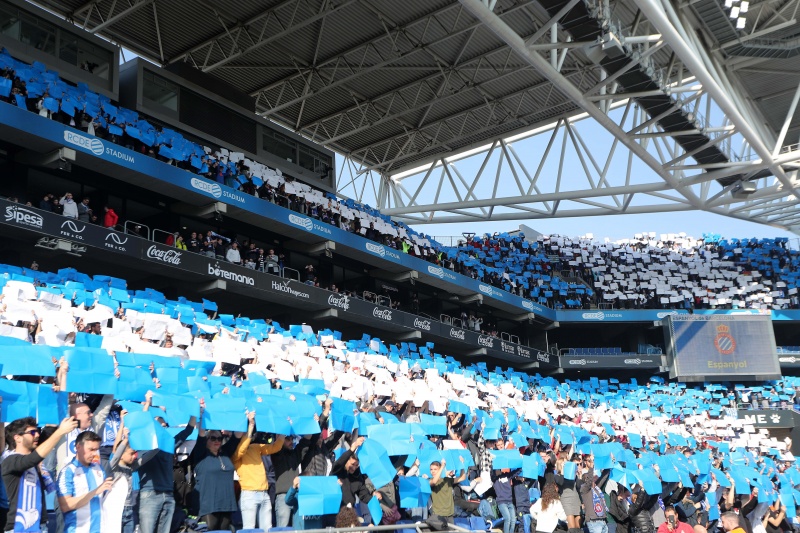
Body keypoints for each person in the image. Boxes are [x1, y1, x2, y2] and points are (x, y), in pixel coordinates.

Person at [3, 416, 77, 533]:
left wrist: (54, 425)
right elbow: (32, 459)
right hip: (18, 527)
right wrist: (60, 431)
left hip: (40, 526)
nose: (37, 435)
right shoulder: (10, 461)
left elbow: (41, 448)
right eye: (32, 432)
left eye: (37, 431)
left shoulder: (35, 462)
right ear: (17, 438)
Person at [233, 411, 285, 530]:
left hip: (264, 494)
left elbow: (275, 447)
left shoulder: (255, 448)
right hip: (249, 494)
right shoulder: (235, 454)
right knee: (249, 529)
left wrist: (283, 430)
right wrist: (251, 425)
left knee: (267, 529)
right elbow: (242, 448)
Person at [190, 412, 242, 531]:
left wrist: (246, 419)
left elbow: (237, 437)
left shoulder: (225, 452)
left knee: (224, 532)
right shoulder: (201, 454)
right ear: (207, 440)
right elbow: (201, 435)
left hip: (226, 503)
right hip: (208, 504)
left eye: (219, 438)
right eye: (213, 438)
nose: (217, 441)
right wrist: (201, 415)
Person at [56, 431, 114, 533]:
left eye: (96, 450)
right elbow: (65, 505)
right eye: (91, 449)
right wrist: (95, 492)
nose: (94, 454)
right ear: (78, 447)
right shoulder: (68, 471)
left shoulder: (99, 468)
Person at [427, 458, 467, 531]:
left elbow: (462, 478)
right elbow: (434, 482)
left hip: (450, 514)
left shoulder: (447, 480)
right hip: (438, 515)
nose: (433, 471)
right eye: (431, 469)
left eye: (435, 469)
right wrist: (442, 466)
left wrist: (462, 464)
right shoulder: (429, 480)